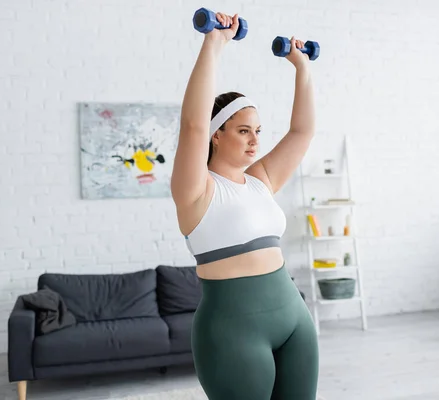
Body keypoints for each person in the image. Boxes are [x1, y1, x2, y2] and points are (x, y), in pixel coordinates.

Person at [170, 10, 319, 400]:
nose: (255, 140)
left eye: (257, 131)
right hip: (232, 332)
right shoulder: (196, 191)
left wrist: (301, 67)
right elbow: (192, 125)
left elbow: (303, 131)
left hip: (294, 321)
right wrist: (214, 44)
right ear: (216, 135)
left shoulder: (260, 181)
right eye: (242, 131)